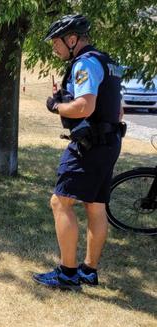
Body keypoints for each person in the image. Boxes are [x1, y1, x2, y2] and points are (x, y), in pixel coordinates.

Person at [33, 14, 125, 291]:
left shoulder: (84, 63)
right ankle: (88, 270)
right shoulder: (107, 61)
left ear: (72, 39)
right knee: (96, 206)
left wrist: (56, 106)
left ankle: (68, 274)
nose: (54, 48)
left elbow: (85, 106)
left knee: (60, 203)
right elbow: (117, 108)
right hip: (109, 141)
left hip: (90, 145)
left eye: (57, 43)